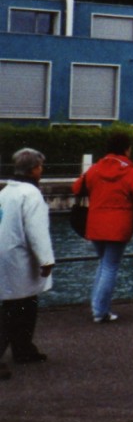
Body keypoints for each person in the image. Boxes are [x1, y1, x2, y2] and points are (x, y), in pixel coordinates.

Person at [72, 132, 133, 324]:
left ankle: (99, 306)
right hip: (119, 227)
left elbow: (76, 188)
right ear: (127, 149)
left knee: (104, 264)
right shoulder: (132, 173)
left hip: (94, 225)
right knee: (110, 266)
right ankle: (100, 311)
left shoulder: (94, 170)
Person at [0, 148, 55, 380]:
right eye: (40, 167)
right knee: (17, 307)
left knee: (21, 303)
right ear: (34, 169)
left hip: (6, 254)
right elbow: (36, 230)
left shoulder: (6, 192)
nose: (41, 171)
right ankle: (20, 348)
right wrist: (46, 259)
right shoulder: (31, 194)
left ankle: (24, 347)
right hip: (21, 257)